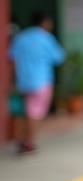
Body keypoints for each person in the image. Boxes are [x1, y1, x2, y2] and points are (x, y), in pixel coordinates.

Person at [8, 11, 66, 153]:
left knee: (26, 112)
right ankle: (29, 142)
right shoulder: (46, 38)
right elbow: (59, 57)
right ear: (45, 23)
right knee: (34, 113)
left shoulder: (20, 37)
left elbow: (11, 57)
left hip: (23, 81)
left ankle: (23, 140)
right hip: (41, 81)